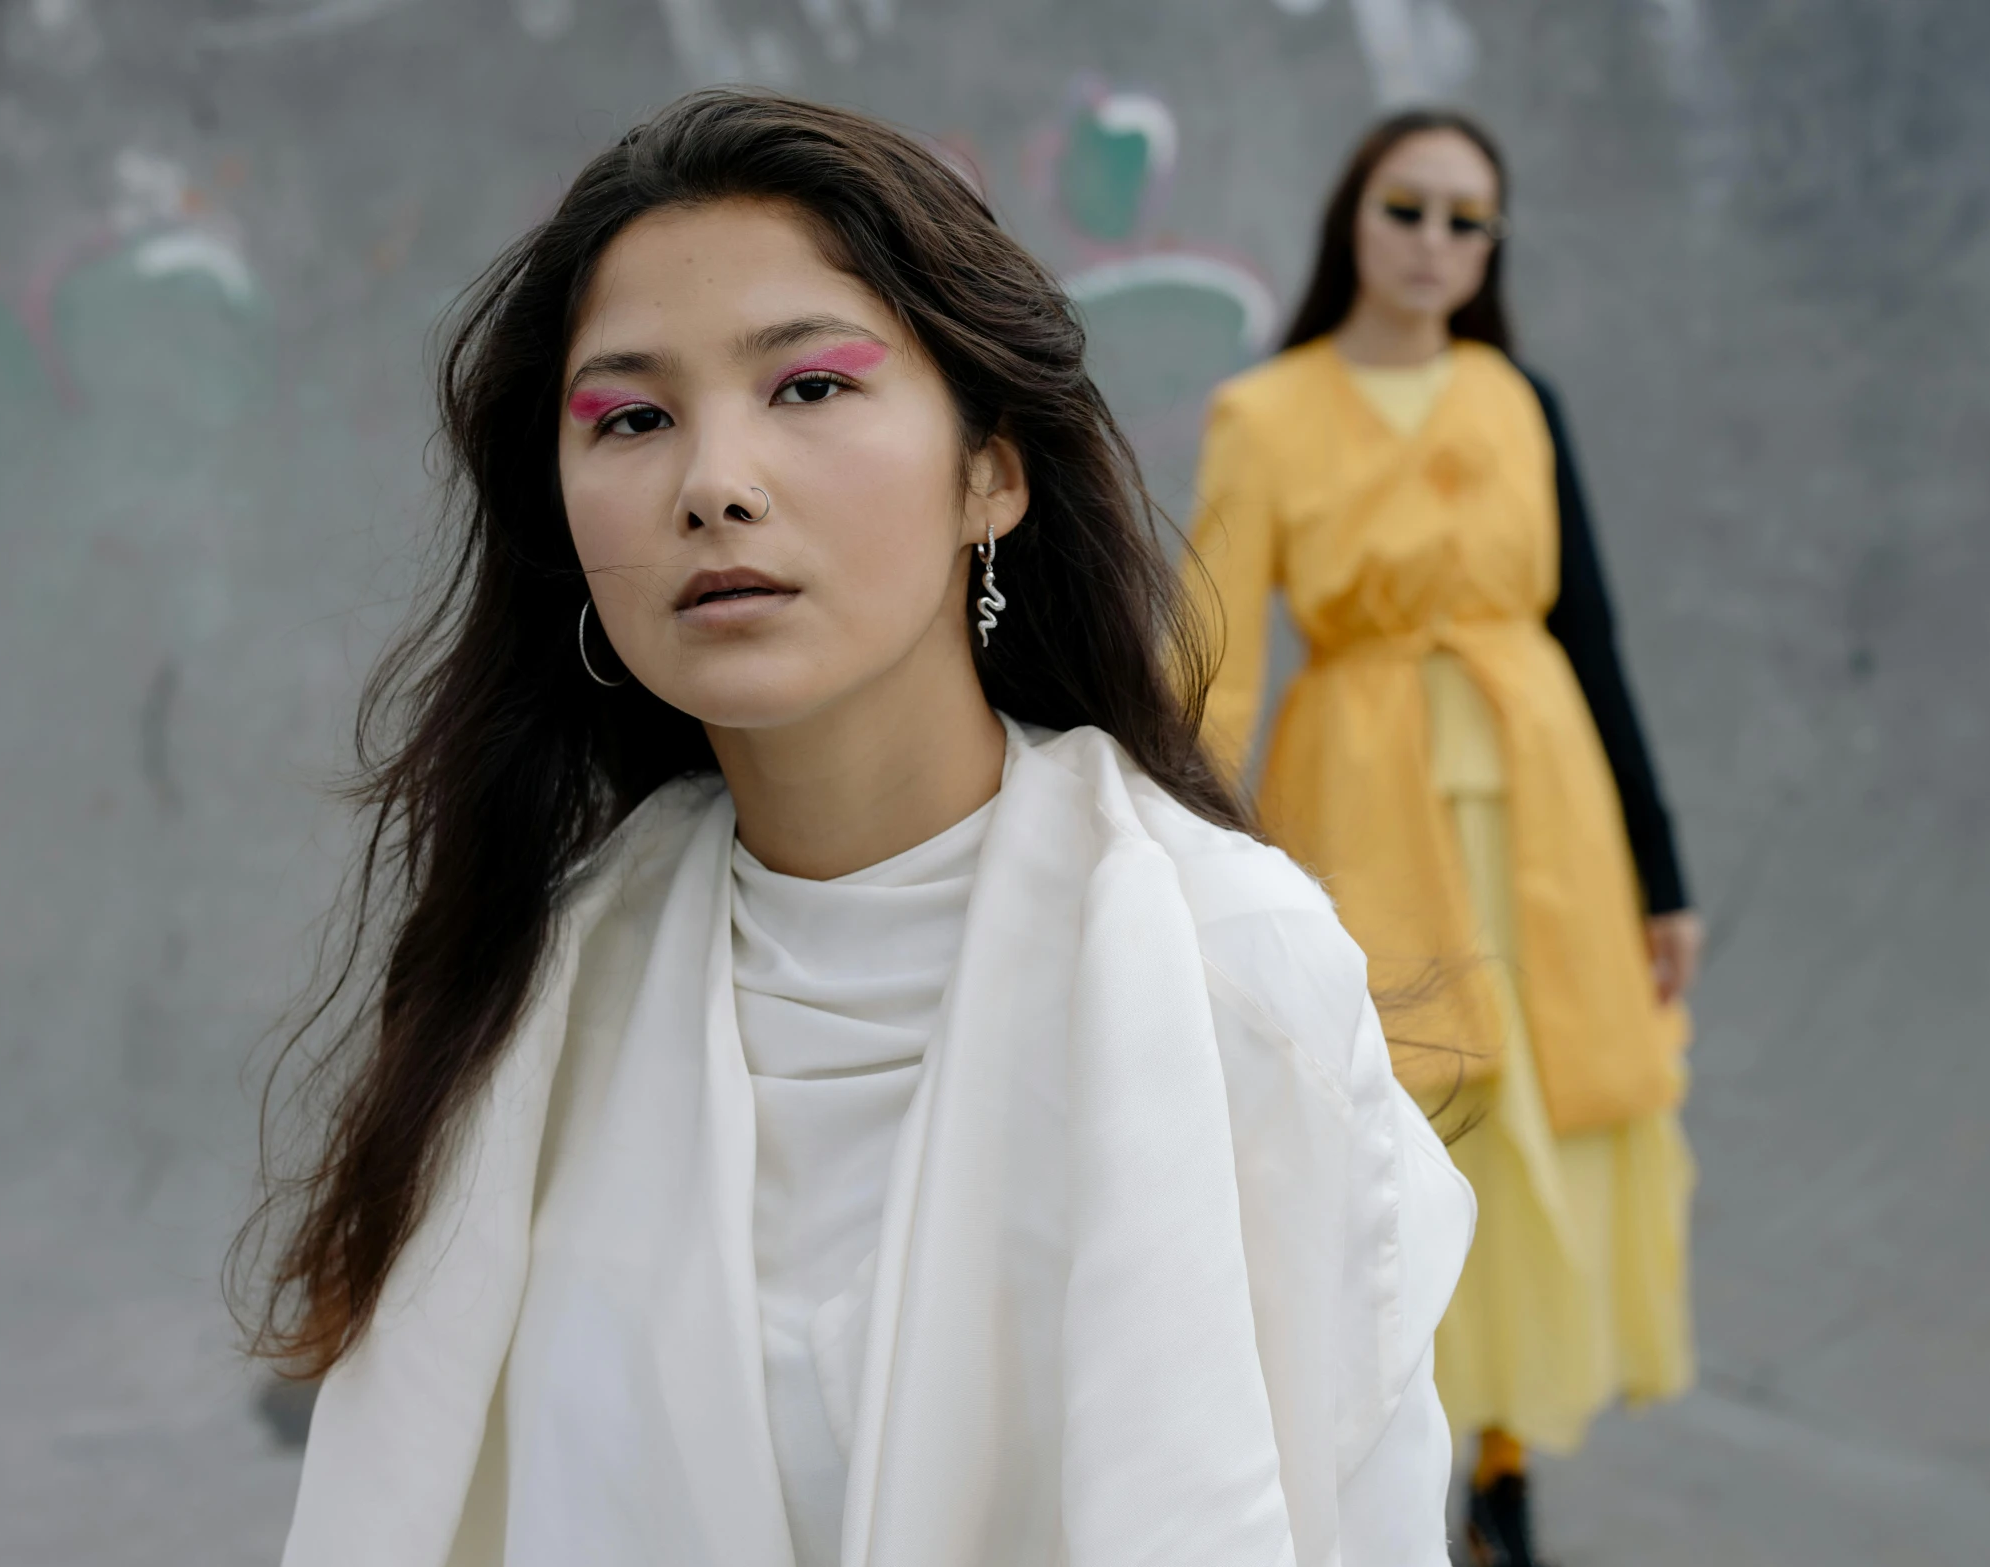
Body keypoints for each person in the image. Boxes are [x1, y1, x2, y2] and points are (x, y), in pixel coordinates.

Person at [242, 91, 1475, 1567]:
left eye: (809, 387)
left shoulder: (1229, 972)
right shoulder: (533, 1005)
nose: (713, 484)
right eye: (632, 418)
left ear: (989, 471)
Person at [1183, 110, 1702, 1567]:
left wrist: (1661, 875)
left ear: (1491, 248)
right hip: (1361, 803)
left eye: (1465, 221)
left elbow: (1589, 636)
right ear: (1354, 215)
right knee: (1407, 1110)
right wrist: (1176, 850)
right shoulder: (1265, 412)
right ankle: (1415, 1443)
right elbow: (1216, 653)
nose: (1431, 243)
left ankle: (1504, 1460)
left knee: (1549, 1110)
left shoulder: (1513, 398)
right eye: (1405, 209)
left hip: (1547, 809)